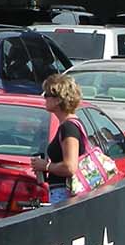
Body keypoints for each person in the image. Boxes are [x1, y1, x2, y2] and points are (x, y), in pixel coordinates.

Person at [30, 74, 93, 203]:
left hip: (65, 193)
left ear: (58, 99)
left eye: (46, 95)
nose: (44, 98)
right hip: (64, 192)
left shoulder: (68, 127)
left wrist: (45, 166)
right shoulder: (71, 124)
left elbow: (70, 167)